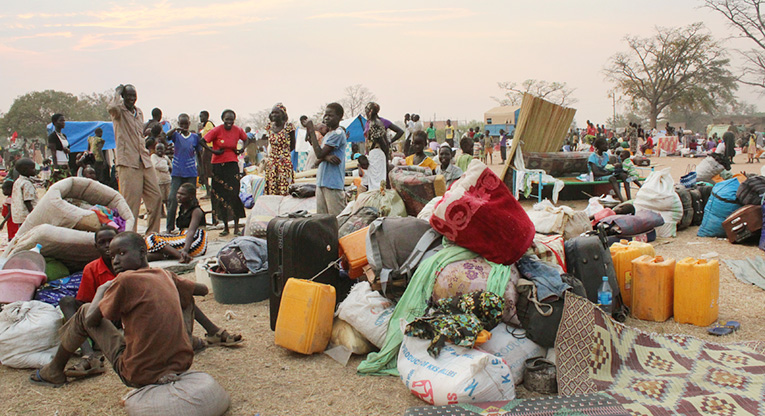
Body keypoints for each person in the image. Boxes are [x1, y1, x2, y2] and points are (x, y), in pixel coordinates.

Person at [30, 231, 196, 388]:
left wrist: (102, 290)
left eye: (122, 254)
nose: (115, 260)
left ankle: (54, 370)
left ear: (142, 251)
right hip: (182, 363)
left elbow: (90, 321)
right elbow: (201, 289)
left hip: (139, 372)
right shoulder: (165, 274)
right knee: (186, 294)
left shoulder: (123, 279)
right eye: (112, 256)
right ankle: (192, 343)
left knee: (84, 311)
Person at [107, 84, 162, 234]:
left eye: (134, 95)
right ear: (123, 97)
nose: (131, 98)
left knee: (156, 198)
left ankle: (152, 235)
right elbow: (112, 107)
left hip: (144, 159)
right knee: (131, 204)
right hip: (128, 162)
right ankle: (129, 237)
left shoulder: (139, 112)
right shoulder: (118, 112)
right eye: (128, 95)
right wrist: (117, 92)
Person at [202, 109, 247, 236]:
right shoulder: (217, 130)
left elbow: (246, 139)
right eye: (227, 119)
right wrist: (213, 151)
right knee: (220, 196)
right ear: (223, 119)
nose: (229, 122)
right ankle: (225, 227)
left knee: (234, 195)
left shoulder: (237, 130)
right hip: (218, 166)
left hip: (232, 165)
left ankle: (236, 227)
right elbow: (203, 141)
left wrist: (242, 148)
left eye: (231, 119)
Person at [302, 103, 347, 216]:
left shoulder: (338, 133)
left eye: (330, 115)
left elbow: (319, 154)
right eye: (325, 115)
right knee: (322, 219)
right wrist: (326, 157)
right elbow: (318, 160)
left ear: (340, 117)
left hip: (333, 183)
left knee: (336, 218)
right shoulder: (328, 135)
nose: (326, 118)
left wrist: (312, 130)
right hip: (322, 182)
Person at [146, 183, 207, 263]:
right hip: (184, 237)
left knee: (152, 238)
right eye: (178, 193)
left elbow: (191, 232)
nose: (178, 195)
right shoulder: (182, 208)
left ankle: (182, 256)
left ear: (191, 196)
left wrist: (185, 250)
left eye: (182, 194)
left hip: (196, 241)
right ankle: (167, 255)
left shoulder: (196, 211)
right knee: (151, 238)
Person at [165, 114, 203, 233]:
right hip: (177, 173)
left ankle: (193, 225)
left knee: (192, 199)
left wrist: (201, 170)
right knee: (173, 199)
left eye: (186, 124)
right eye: (181, 124)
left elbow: (199, 154)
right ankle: (169, 227)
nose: (184, 126)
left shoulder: (194, 137)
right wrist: (176, 129)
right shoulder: (176, 135)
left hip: (191, 173)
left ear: (189, 123)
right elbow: (167, 136)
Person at [364, 102, 404, 190]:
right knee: (377, 179)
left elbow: (381, 140)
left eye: (366, 111)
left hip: (378, 153)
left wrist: (389, 142)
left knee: (379, 179)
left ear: (370, 111)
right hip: (373, 154)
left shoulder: (376, 123)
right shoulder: (369, 122)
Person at [264, 103, 295, 196]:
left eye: (277, 113)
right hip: (272, 162)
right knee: (272, 186)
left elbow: (293, 145)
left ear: (283, 114)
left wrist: (283, 154)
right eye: (272, 113)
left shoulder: (289, 127)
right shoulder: (269, 127)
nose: (274, 115)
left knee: (284, 187)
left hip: (284, 162)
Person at [588, 138, 627, 202]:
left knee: (624, 176)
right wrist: (608, 173)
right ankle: (622, 200)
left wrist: (614, 168)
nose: (607, 146)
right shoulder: (593, 157)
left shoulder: (605, 155)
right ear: (599, 146)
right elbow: (596, 173)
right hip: (597, 177)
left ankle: (629, 198)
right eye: (605, 145)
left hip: (606, 174)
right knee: (612, 178)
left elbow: (608, 167)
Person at [11, 158, 38, 228]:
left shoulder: (18, 181)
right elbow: (27, 201)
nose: (35, 170)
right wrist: (33, 215)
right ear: (25, 170)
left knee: (22, 232)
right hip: (27, 215)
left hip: (19, 215)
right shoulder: (27, 183)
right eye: (32, 168)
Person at [47, 113, 71, 184]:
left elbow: (67, 149)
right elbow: (53, 153)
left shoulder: (63, 136)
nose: (63, 122)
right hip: (58, 164)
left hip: (65, 164)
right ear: (55, 123)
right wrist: (56, 168)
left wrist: (67, 150)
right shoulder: (52, 136)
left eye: (64, 121)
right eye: (61, 121)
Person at [198, 110, 216, 200]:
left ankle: (210, 191)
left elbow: (209, 137)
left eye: (202, 116)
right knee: (204, 171)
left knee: (208, 171)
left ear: (207, 116)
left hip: (209, 149)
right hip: (206, 150)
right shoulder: (204, 126)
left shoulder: (209, 124)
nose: (200, 118)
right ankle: (208, 191)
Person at [151, 143, 171, 217]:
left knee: (168, 198)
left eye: (161, 149)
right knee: (160, 198)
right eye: (158, 149)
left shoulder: (165, 157)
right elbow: (156, 166)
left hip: (167, 180)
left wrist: (168, 168)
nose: (159, 151)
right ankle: (162, 213)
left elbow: (171, 165)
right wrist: (166, 167)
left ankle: (169, 213)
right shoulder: (153, 157)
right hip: (158, 181)